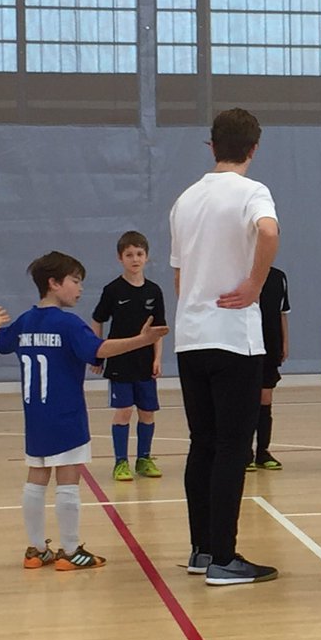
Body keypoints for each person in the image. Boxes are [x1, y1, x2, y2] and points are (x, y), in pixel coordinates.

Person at [0, 251, 168, 570]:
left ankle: (36, 549)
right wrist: (140, 340)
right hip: (66, 415)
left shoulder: (26, 321)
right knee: (68, 480)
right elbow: (98, 349)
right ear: (54, 284)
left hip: (35, 418)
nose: (80, 288)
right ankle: (70, 552)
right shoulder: (67, 324)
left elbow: (3, 341)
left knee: (37, 477)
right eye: (75, 281)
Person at [170, 107, 280, 586]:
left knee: (203, 444)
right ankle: (224, 558)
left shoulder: (185, 200)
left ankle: (201, 550)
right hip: (234, 338)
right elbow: (269, 232)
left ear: (211, 145)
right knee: (235, 447)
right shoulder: (253, 192)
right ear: (253, 149)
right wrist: (255, 284)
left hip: (191, 337)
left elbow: (179, 275)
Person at [90, 231, 167, 482]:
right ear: (120, 258)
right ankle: (120, 463)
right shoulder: (112, 290)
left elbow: (159, 330)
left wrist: (157, 358)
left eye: (140, 254)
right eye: (129, 255)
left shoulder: (154, 292)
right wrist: (97, 354)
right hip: (121, 362)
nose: (135, 259)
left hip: (145, 362)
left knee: (147, 412)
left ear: (147, 257)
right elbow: (98, 319)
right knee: (123, 411)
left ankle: (144, 458)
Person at [246, 265, 289, 471]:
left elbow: (282, 313)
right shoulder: (240, 274)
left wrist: (284, 343)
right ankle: (244, 453)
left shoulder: (278, 277)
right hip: (244, 346)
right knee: (244, 401)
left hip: (269, 346)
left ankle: (263, 451)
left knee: (265, 399)